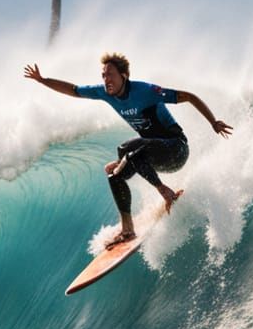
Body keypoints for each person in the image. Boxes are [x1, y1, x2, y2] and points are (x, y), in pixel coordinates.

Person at [24, 53, 233, 248]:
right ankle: (127, 229)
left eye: (111, 75)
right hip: (153, 155)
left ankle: (164, 192)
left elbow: (188, 96)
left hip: (176, 149)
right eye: (104, 75)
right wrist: (42, 80)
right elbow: (73, 90)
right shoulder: (105, 93)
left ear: (124, 75)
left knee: (132, 151)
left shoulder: (146, 91)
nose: (107, 80)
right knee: (114, 173)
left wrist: (213, 122)